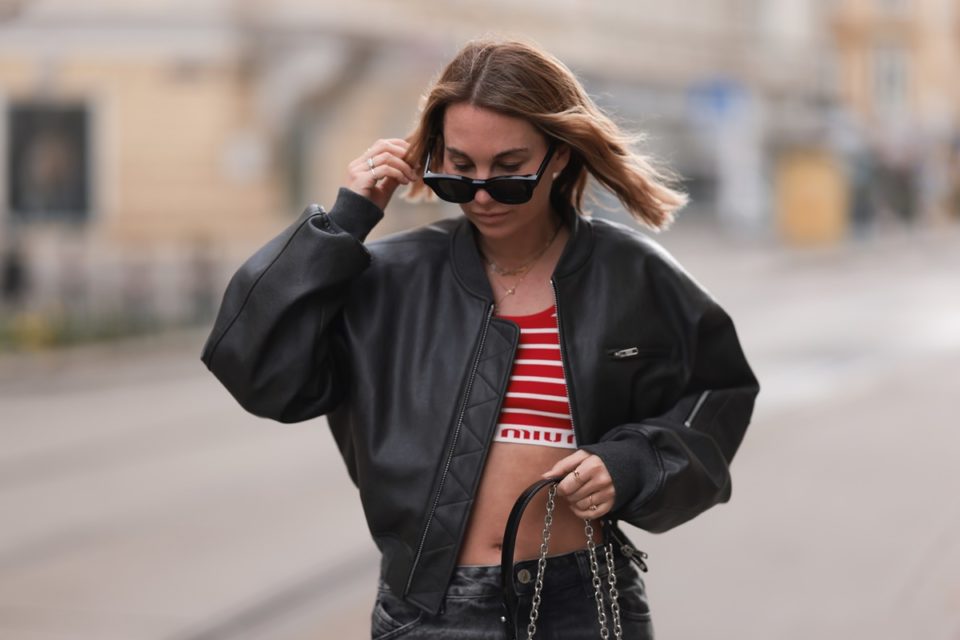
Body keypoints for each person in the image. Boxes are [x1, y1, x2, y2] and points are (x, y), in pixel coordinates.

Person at [202, 38, 759, 639]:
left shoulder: (630, 273)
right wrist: (342, 224)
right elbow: (256, 367)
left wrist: (632, 462)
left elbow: (718, 394)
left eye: (511, 171)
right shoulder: (392, 278)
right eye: (459, 172)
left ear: (561, 157)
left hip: (584, 599)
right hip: (434, 609)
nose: (484, 195)